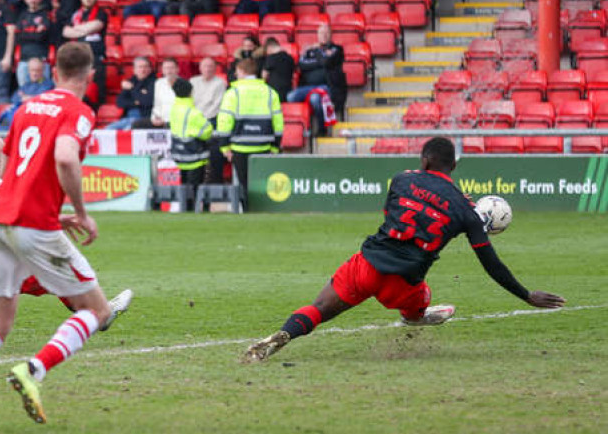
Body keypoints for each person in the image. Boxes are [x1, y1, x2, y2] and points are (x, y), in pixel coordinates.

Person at [0, 42, 120, 431]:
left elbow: (12, 166)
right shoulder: (79, 112)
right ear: (89, 75)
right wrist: (80, 213)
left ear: (53, 72)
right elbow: (65, 157)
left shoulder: (28, 106)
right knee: (98, 311)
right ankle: (34, 368)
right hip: (33, 222)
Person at [243, 137, 567, 362]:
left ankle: (283, 335)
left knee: (319, 308)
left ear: (425, 160)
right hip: (406, 284)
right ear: (454, 165)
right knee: (418, 303)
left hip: (367, 265)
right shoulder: (466, 211)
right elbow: (491, 264)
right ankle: (414, 317)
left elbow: (391, 215)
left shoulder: (402, 180)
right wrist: (526, 295)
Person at [215, 56, 283, 208]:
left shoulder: (233, 93)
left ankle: (248, 212)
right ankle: (264, 213)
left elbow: (224, 121)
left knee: (245, 186)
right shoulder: (270, 92)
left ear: (241, 71)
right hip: (264, 146)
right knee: (262, 185)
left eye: (237, 72)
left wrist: (224, 147)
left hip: (240, 147)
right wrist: (275, 146)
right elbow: (278, 123)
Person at [291, 22, 345, 132]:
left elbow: (326, 62)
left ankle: (322, 128)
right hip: (307, 87)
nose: (324, 35)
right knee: (291, 97)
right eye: (321, 33)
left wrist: (317, 53)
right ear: (317, 35)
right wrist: (320, 60)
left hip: (327, 87)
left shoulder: (337, 49)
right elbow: (301, 65)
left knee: (315, 98)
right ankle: (301, 130)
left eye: (326, 33)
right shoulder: (309, 50)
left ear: (331, 35)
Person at [169, 77, 212, 208]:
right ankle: (198, 209)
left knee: (184, 186)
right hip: (195, 155)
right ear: (190, 93)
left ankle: (185, 208)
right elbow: (207, 130)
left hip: (179, 154)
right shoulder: (193, 112)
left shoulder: (174, 109)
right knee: (197, 187)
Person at [62, 0, 108, 105]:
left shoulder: (101, 13)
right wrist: (83, 30)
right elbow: (66, 32)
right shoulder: (75, 14)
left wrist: (77, 30)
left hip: (95, 60)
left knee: (95, 96)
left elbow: (92, 28)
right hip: (78, 60)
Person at [190, 56, 227, 183]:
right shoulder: (193, 81)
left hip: (211, 119)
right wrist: (197, 118)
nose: (208, 69)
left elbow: (217, 105)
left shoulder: (220, 83)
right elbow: (190, 102)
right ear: (200, 68)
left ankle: (216, 180)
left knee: (215, 147)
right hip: (195, 119)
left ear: (216, 68)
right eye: (205, 66)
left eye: (211, 66)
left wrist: (201, 119)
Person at [14, 0, 53, 87]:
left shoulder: (45, 15)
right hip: (23, 61)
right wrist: (35, 32)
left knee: (42, 94)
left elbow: (42, 36)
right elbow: (18, 36)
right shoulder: (21, 15)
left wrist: (26, 33)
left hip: (41, 60)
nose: (32, 0)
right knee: (24, 92)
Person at [108, 56, 155, 129]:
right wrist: (136, 102)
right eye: (140, 67)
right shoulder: (131, 81)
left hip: (145, 118)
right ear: (134, 70)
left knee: (127, 131)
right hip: (128, 117)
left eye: (145, 67)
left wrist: (132, 89)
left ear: (150, 69)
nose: (143, 70)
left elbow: (148, 101)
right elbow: (120, 102)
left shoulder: (155, 82)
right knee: (108, 130)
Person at [260, 37, 295, 103]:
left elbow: (264, 76)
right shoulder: (290, 58)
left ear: (269, 48)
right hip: (287, 92)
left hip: (273, 93)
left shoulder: (271, 58)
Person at [150, 57, 180, 127]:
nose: (169, 71)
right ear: (162, 70)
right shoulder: (158, 83)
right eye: (166, 68)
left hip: (176, 121)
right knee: (137, 124)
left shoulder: (185, 84)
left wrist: (166, 120)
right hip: (160, 119)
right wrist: (155, 117)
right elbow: (157, 104)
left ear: (177, 69)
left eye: (172, 68)